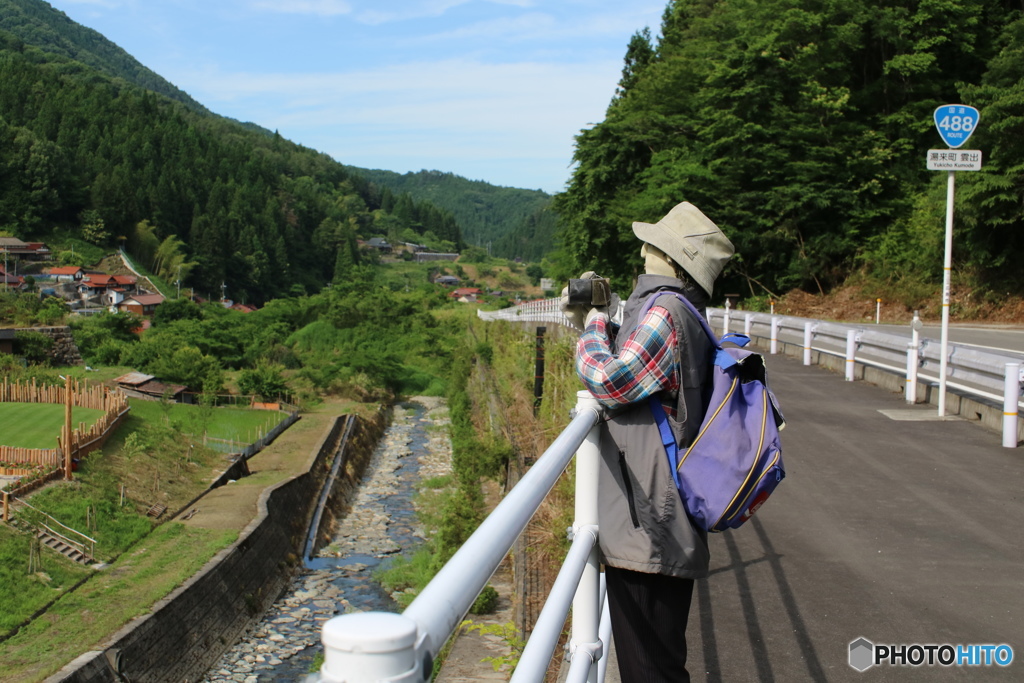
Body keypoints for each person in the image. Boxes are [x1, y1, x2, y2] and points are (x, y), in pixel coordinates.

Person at [561, 201, 734, 683]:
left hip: (651, 522)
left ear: (673, 261)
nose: (644, 248)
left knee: (651, 670)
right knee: (654, 662)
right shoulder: (675, 310)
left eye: (655, 243)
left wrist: (594, 320)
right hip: (656, 515)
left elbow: (613, 381)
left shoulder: (666, 310)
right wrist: (606, 323)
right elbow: (645, 373)